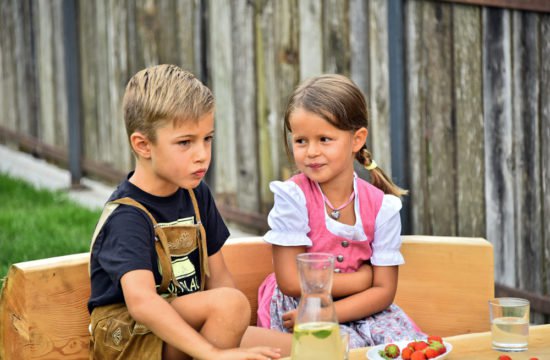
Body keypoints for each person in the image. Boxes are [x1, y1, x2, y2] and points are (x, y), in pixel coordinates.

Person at [88, 64, 290, 360]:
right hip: (135, 342)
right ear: (143, 145)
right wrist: (213, 353)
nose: (202, 155)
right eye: (185, 142)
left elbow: (220, 279)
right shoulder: (127, 216)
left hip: (187, 331)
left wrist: (230, 339)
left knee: (300, 350)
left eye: (207, 138)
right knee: (231, 305)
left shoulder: (196, 195)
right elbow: (142, 303)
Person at [257, 74, 425, 349]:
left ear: (357, 139)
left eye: (324, 139)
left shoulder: (382, 207)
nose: (311, 152)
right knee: (334, 349)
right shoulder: (294, 197)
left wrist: (333, 311)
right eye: (301, 141)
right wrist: (363, 279)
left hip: (361, 310)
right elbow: (289, 281)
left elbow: (383, 292)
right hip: (301, 308)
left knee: (401, 349)